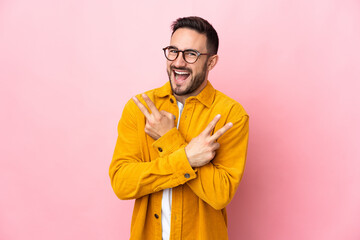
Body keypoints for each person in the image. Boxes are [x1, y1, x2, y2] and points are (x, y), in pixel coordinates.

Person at [109, 16, 249, 240]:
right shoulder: (141, 108)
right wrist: (188, 157)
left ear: (211, 62)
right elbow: (122, 183)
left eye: (191, 54)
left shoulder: (231, 114)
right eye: (173, 51)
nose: (178, 62)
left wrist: (169, 139)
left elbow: (220, 194)